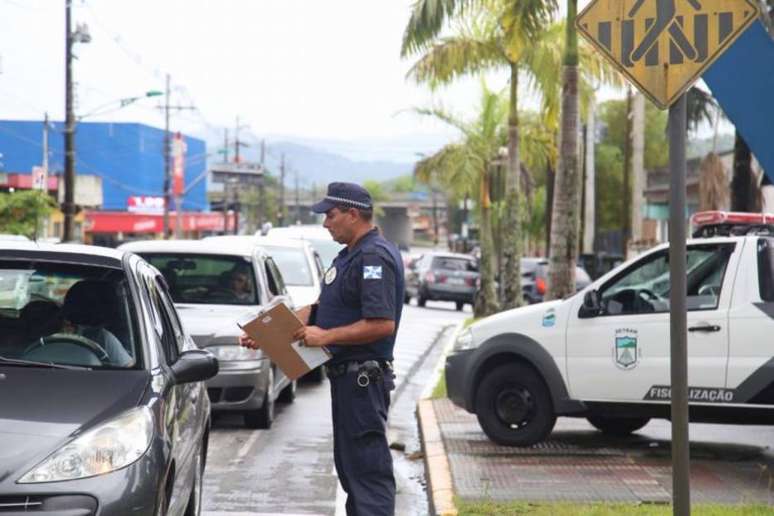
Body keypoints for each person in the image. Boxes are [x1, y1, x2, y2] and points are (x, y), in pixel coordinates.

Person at [240, 182, 404, 515]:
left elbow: (382, 323)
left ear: (353, 214)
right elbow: (320, 310)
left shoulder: (373, 257)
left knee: (367, 473)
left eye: (330, 215)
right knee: (351, 470)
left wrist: (326, 337)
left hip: (363, 382)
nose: (325, 223)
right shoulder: (349, 256)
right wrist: (269, 333)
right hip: (349, 382)